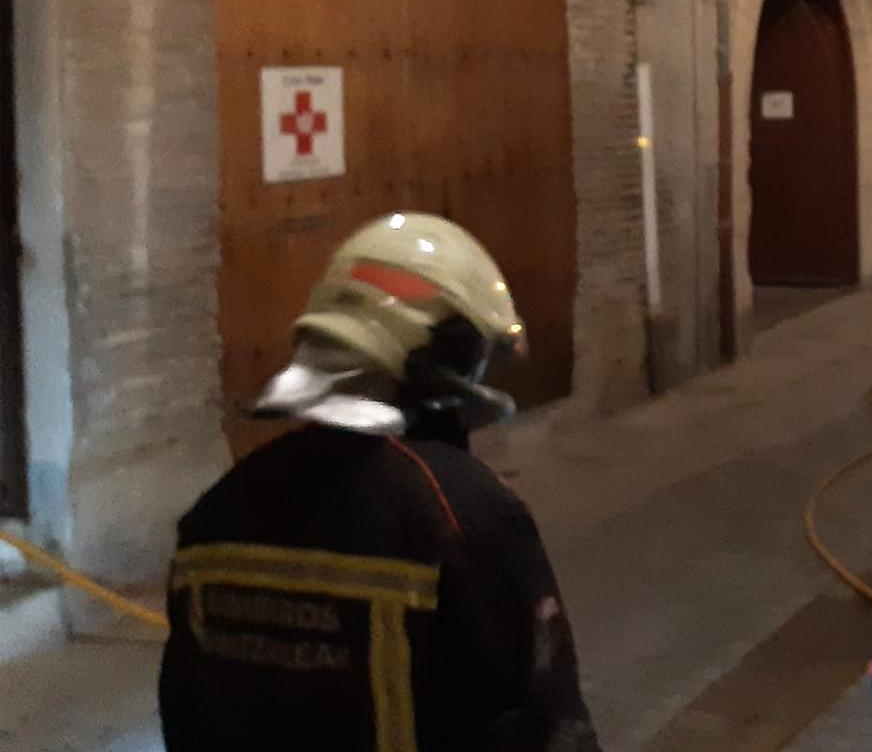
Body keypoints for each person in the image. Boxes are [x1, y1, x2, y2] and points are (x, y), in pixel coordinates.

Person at [159, 213, 599, 752]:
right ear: (445, 357)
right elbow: (544, 725)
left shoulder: (213, 518)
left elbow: (186, 721)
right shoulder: (463, 514)